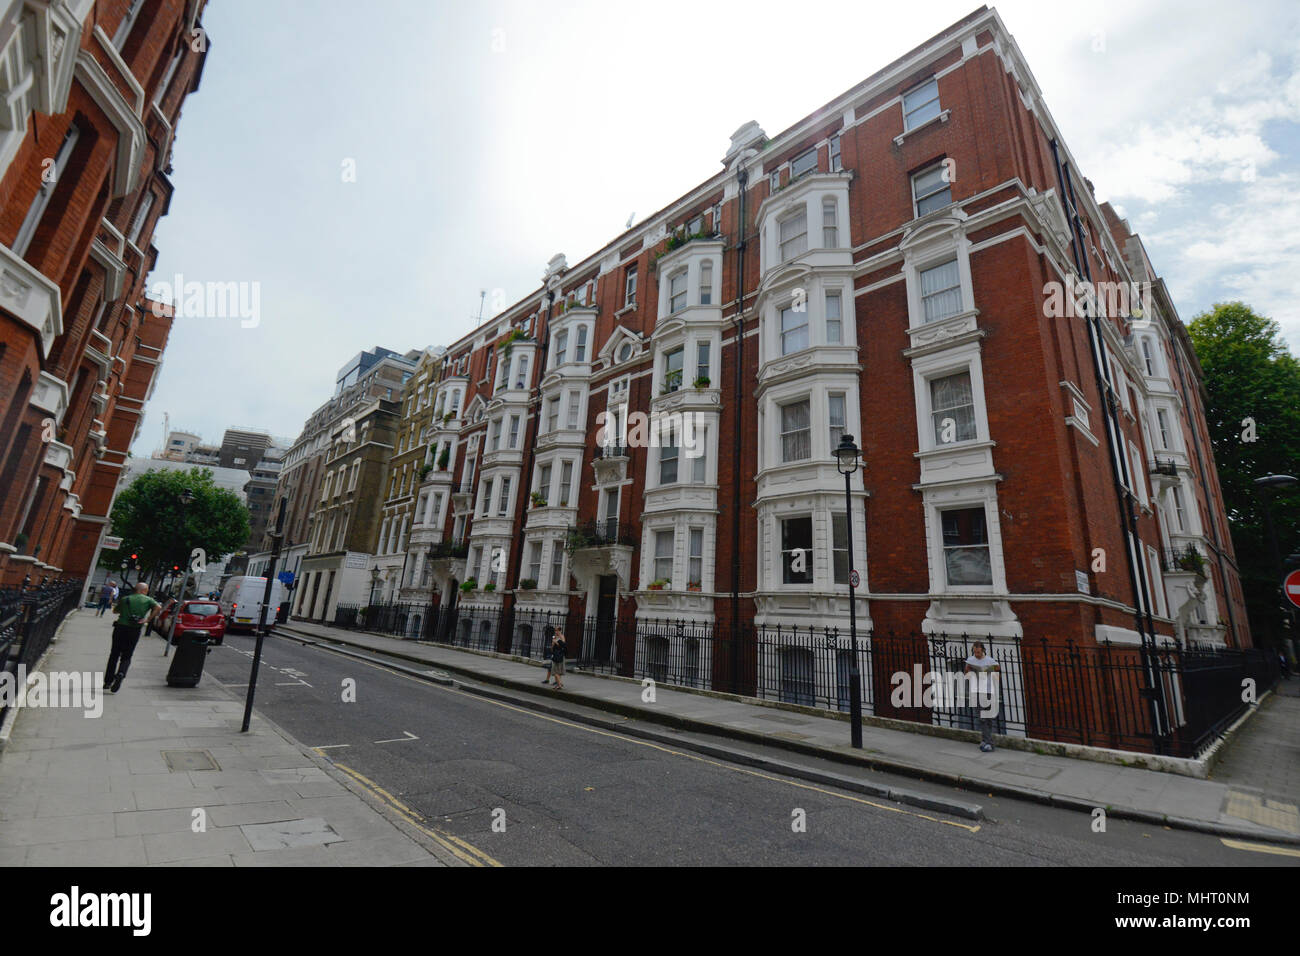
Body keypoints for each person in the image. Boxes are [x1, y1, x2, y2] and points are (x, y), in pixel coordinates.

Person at [106, 582, 160, 693]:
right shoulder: (148, 600)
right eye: (146, 590)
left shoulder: (126, 599)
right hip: (135, 629)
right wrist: (148, 619)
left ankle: (108, 681)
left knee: (114, 654)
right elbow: (158, 607)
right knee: (127, 655)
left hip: (120, 627)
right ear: (143, 590)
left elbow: (115, 611)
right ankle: (121, 673)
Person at [964, 642, 1000, 752]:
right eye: (975, 652)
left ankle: (986, 741)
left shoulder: (989, 660)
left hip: (988, 691)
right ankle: (988, 742)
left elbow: (997, 671)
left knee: (988, 718)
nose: (977, 654)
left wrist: (989, 671)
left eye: (978, 652)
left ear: (983, 650)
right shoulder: (971, 660)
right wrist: (969, 670)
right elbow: (966, 674)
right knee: (982, 718)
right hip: (976, 691)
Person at [550, 626, 567, 690]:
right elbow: (552, 647)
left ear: (560, 631)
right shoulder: (555, 637)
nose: (556, 632)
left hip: (559, 656)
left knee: (556, 671)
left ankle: (559, 684)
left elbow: (563, 646)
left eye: (557, 630)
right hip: (555, 655)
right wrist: (552, 644)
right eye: (555, 630)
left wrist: (556, 642)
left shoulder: (562, 637)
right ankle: (559, 684)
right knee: (557, 671)